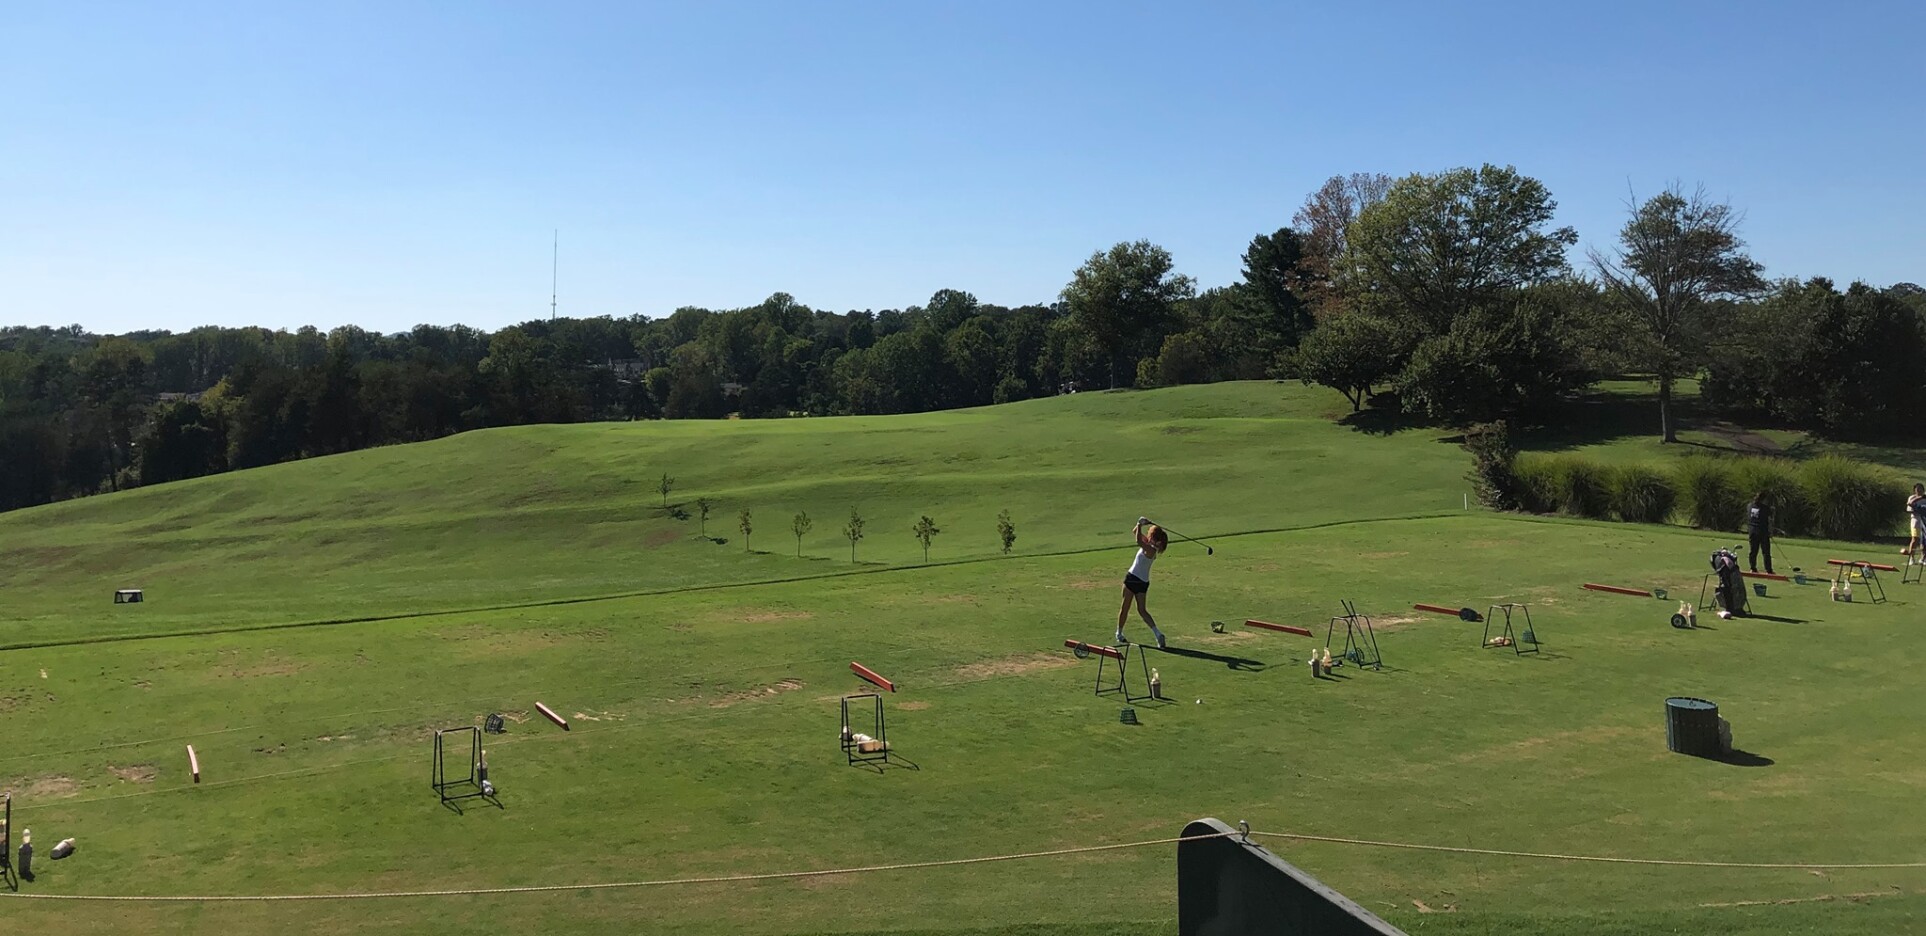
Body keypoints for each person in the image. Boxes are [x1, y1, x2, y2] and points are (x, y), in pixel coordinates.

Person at [1116, 517, 1169, 648]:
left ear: (1154, 538)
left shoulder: (1150, 549)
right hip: (1143, 583)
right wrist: (1140, 524)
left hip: (1132, 579)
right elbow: (1135, 532)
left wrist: (1140, 524)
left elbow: (1138, 540)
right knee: (1142, 610)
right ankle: (1157, 634)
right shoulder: (1151, 547)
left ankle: (1119, 633)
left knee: (1125, 608)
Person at [1745, 491, 1774, 575]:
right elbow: (1769, 520)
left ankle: (1752, 568)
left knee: (1753, 551)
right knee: (1766, 552)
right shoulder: (1765, 508)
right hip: (1763, 531)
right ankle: (1768, 570)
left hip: (1752, 531)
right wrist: (1770, 531)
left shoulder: (1749, 506)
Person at [1906, 483, 1926, 559]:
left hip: (1924, 521)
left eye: (1920, 489)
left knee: (1924, 540)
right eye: (1917, 490)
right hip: (1916, 520)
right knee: (1915, 539)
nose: (1919, 491)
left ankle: (1923, 558)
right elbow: (1909, 508)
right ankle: (1911, 557)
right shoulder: (1912, 498)